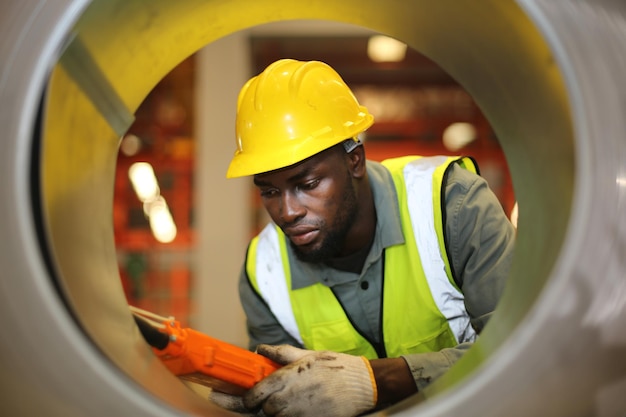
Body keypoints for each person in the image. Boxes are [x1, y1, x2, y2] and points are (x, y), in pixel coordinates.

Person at [212, 58, 515, 417]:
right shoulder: (264, 273)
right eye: (270, 192)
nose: (288, 212)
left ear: (354, 161)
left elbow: (518, 351)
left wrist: (375, 381)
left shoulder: (453, 207)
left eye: (307, 184)